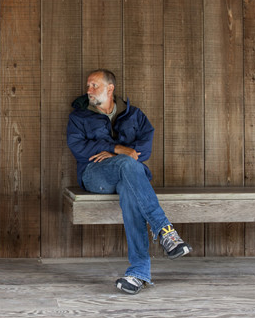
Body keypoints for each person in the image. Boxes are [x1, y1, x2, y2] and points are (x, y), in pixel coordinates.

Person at [66, 69, 192, 295]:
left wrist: (118, 155)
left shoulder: (134, 115)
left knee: (130, 188)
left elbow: (144, 149)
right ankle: (165, 230)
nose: (88, 90)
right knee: (128, 165)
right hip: (95, 174)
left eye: (94, 85)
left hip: (129, 176)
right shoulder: (79, 116)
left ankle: (139, 273)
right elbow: (79, 148)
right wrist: (117, 149)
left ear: (110, 88)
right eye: (88, 86)